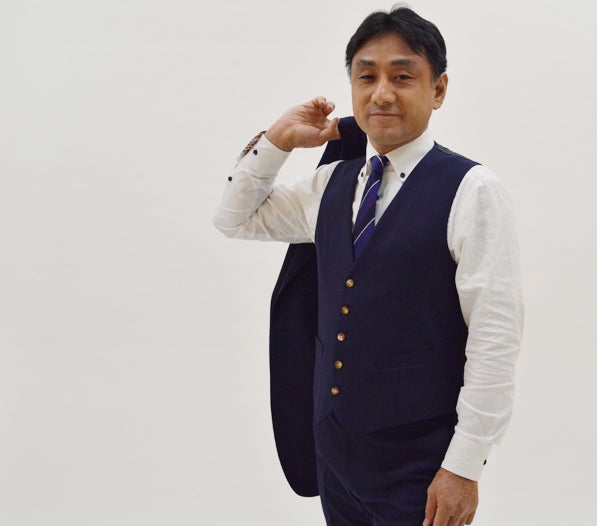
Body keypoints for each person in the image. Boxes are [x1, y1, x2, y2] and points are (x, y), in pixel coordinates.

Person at [213, 7, 523, 526]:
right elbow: (234, 218)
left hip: (422, 467)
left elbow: (495, 338)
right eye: (366, 76)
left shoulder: (473, 191)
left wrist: (464, 467)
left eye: (402, 77)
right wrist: (277, 141)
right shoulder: (331, 184)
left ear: (438, 89)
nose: (381, 94)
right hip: (335, 458)